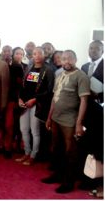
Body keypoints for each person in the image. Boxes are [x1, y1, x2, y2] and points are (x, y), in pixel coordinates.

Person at [41, 50, 90, 194]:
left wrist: (79, 123)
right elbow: (54, 98)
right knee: (57, 149)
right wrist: (49, 117)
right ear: (60, 61)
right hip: (56, 118)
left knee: (70, 152)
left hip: (70, 121)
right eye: (63, 59)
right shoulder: (60, 74)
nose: (66, 61)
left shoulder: (81, 76)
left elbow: (84, 101)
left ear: (75, 60)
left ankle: (68, 182)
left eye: (69, 59)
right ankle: (58, 175)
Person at [16, 47, 54, 166]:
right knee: (24, 129)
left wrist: (35, 99)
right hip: (25, 104)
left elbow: (49, 91)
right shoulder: (28, 68)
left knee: (35, 131)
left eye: (39, 53)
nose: (36, 56)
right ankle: (26, 152)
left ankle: (33, 155)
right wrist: (20, 98)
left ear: (44, 55)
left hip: (38, 105)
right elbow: (23, 86)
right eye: (34, 54)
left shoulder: (48, 70)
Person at [79, 40, 103, 194]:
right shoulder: (84, 67)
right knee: (85, 145)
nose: (93, 51)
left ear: (102, 50)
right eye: (91, 48)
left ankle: (98, 180)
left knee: (98, 148)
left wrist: (99, 95)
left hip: (101, 112)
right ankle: (87, 178)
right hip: (86, 111)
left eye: (97, 48)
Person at [2, 47, 25, 158]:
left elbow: (20, 86)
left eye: (8, 51)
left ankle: (8, 147)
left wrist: (17, 99)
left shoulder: (18, 67)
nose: (6, 53)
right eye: (4, 51)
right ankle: (2, 146)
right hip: (0, 99)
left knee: (9, 125)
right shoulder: (1, 65)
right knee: (1, 124)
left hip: (12, 100)